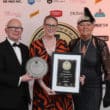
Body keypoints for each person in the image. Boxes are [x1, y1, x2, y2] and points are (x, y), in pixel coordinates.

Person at [69, 7, 110, 110]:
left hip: (94, 88)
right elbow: (68, 65)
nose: (85, 27)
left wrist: (108, 93)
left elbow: (108, 70)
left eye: (88, 24)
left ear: (93, 27)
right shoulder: (72, 43)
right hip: (77, 87)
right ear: (77, 27)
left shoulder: (100, 44)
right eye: (82, 25)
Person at [29, 15, 73, 110]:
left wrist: (76, 77)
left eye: (53, 25)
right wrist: (45, 88)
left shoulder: (63, 43)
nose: (50, 28)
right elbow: (33, 71)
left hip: (61, 92)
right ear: (44, 26)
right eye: (48, 25)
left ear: (56, 27)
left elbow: (69, 66)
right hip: (42, 92)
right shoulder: (35, 45)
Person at [0, 18, 33, 110]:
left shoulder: (25, 48)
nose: (16, 30)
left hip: (23, 100)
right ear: (6, 30)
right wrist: (20, 79)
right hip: (6, 101)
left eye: (19, 28)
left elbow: (28, 69)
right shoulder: (0, 48)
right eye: (13, 27)